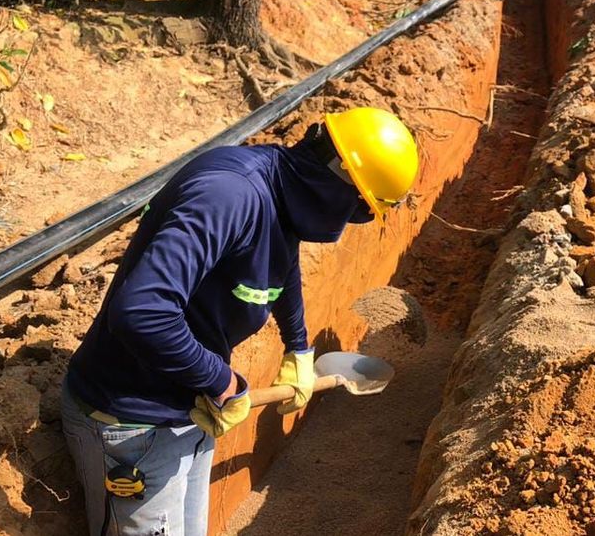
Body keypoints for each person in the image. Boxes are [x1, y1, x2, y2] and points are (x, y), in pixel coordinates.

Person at [59, 107, 419, 536]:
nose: (349, 225)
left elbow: (282, 260)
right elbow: (142, 312)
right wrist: (223, 383)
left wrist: (298, 347)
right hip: (133, 425)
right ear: (342, 188)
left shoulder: (284, 192)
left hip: (192, 412)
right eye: (359, 212)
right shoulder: (229, 195)